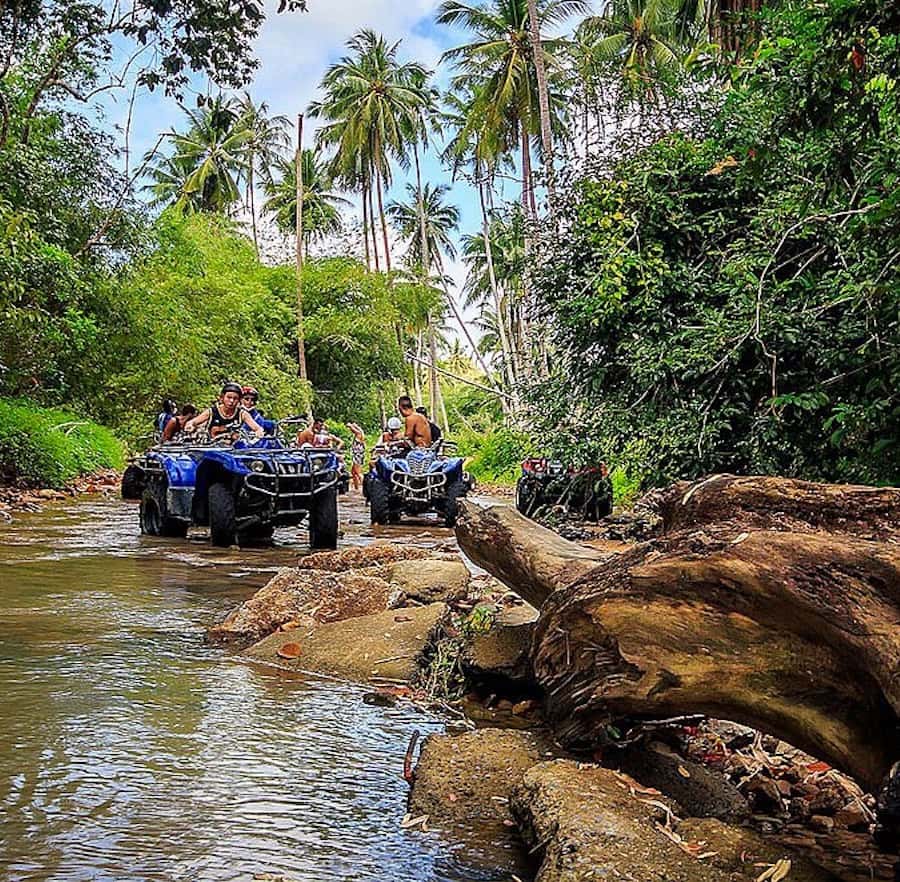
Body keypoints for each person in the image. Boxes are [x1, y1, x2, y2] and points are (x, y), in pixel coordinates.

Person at [185, 382, 264, 440]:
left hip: (234, 449)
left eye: (235, 398)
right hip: (212, 448)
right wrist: (190, 426)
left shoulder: (242, 414)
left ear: (239, 400)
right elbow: (193, 422)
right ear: (222, 398)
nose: (231, 401)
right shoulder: (212, 411)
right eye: (229, 397)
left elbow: (257, 428)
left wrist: (259, 432)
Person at [346, 422, 367, 491]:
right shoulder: (359, 433)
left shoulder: (359, 434)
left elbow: (353, 429)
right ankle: (356, 488)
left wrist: (350, 425)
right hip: (356, 455)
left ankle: (366, 487)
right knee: (353, 472)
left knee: (358, 472)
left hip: (358, 455)